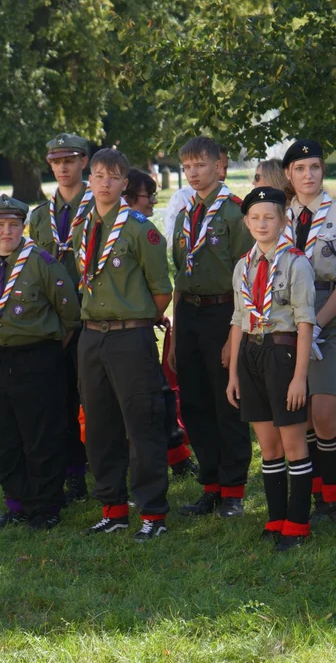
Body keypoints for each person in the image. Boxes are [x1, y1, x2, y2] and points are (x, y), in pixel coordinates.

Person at [72, 148, 174, 539]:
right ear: (91, 180)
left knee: (142, 424)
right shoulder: (84, 226)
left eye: (113, 177)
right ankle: (112, 509)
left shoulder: (138, 229)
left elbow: (161, 290)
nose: (105, 183)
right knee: (99, 426)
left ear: (124, 183)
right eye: (98, 176)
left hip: (130, 337)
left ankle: (152, 514)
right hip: (92, 337)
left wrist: (135, 319)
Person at [0, 195, 80, 530]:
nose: (6, 231)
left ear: (23, 227)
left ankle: (46, 506)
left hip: (36, 358)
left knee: (41, 435)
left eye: (13, 225)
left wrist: (42, 348)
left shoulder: (42, 263)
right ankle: (16, 503)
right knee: (1, 434)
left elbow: (70, 316)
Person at [281, 139, 336, 529]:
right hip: (289, 317)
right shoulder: (278, 214)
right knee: (304, 416)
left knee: (324, 412)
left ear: (323, 171)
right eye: (300, 168)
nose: (308, 175)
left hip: (329, 311)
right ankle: (318, 498)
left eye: (314, 167)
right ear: (288, 175)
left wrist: (315, 323)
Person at [226, 186, 316, 552]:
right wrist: (233, 373)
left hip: (283, 355)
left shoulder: (295, 263)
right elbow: (237, 319)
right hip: (250, 353)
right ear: (246, 223)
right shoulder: (242, 266)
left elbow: (306, 322)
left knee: (293, 443)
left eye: (270, 217)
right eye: (255, 217)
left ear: (283, 222)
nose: (262, 223)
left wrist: (300, 377)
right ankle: (275, 518)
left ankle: (298, 523)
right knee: (268, 445)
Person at [168, 137, 253, 518]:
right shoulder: (186, 214)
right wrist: (175, 329)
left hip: (224, 313)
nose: (193, 173)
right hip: (188, 312)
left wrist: (235, 336)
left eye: (200, 165)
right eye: (187, 167)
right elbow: (179, 273)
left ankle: (234, 489)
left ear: (220, 166)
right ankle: (211, 486)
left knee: (226, 402)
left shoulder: (236, 213)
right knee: (195, 401)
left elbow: (247, 278)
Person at [28, 133, 94, 504]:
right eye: (56, 162)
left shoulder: (101, 208)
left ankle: (107, 469)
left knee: (97, 400)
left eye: (70, 160)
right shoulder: (40, 217)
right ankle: (74, 475)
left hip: (93, 317)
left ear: (84, 162)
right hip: (56, 324)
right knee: (62, 399)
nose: (63, 167)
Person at [124, 168, 198, 479]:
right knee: (154, 398)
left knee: (162, 397)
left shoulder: (142, 231)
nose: (153, 202)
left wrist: (153, 314)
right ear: (128, 198)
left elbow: (156, 286)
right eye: (148, 196)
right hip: (118, 333)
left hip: (140, 327)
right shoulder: (105, 231)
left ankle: (176, 458)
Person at [163, 149, 230, 240]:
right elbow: (170, 237)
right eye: (187, 167)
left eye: (225, 168)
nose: (222, 173)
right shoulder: (182, 198)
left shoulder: (230, 202)